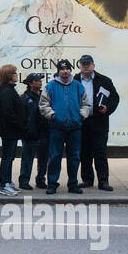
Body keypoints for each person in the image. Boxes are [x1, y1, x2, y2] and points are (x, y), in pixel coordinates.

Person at [40, 60, 89, 194]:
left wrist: (81, 116)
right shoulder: (50, 86)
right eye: (62, 69)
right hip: (57, 127)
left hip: (75, 127)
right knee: (55, 156)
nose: (65, 71)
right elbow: (43, 105)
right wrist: (53, 116)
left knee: (74, 156)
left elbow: (86, 104)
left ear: (71, 70)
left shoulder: (78, 86)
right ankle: (52, 183)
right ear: (58, 71)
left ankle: (73, 184)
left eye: (67, 69)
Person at [74, 54, 117, 191]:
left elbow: (115, 98)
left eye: (88, 64)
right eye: (83, 64)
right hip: (81, 122)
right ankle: (87, 179)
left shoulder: (104, 80)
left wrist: (108, 108)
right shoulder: (74, 80)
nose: (86, 66)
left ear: (93, 65)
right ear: (79, 65)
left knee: (100, 152)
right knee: (84, 153)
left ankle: (103, 181)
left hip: (99, 122)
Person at [0, 64, 21, 197]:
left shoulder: (7, 90)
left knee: (10, 156)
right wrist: (18, 122)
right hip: (9, 130)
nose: (16, 75)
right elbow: (7, 111)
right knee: (7, 157)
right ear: (9, 76)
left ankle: (7, 182)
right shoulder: (7, 92)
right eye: (14, 73)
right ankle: (4, 184)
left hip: (9, 129)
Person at [18, 73, 49, 189]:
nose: (40, 83)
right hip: (30, 134)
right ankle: (24, 181)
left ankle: (41, 180)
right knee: (27, 158)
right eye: (37, 81)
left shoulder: (44, 96)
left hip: (44, 133)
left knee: (43, 159)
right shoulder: (25, 98)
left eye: (40, 81)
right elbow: (22, 117)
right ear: (30, 84)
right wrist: (25, 130)